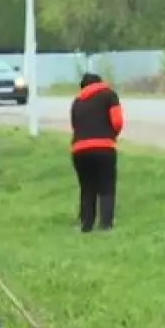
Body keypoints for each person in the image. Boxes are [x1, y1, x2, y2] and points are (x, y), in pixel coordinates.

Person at [70, 72, 123, 232]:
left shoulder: (77, 101)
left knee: (87, 187)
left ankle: (86, 225)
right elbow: (117, 121)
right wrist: (111, 135)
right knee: (106, 186)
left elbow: (75, 126)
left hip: (79, 149)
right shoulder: (110, 96)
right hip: (104, 147)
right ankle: (106, 224)